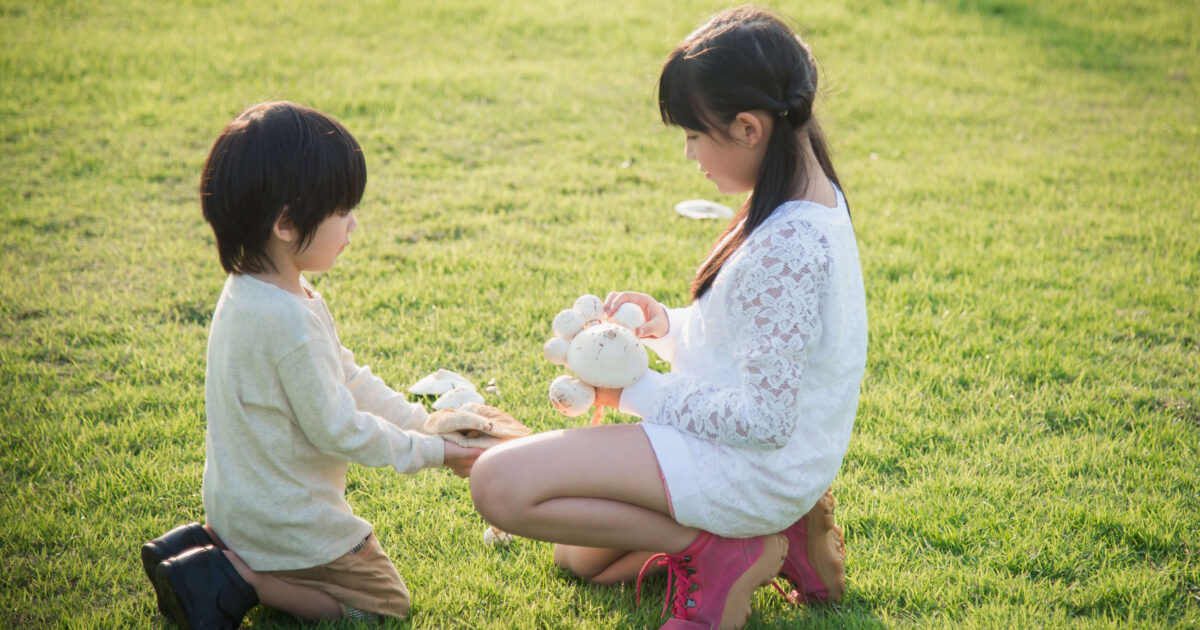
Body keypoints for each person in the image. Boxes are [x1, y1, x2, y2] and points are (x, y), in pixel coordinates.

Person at [470, 6, 866, 629]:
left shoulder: (789, 245)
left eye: (692, 134)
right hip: (757, 454)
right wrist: (671, 328)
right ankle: (774, 531)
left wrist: (635, 389)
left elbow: (765, 419)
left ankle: (723, 547)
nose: (689, 153)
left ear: (747, 128)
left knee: (499, 486)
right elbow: (766, 340)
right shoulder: (802, 190)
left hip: (750, 462)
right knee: (581, 558)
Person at [139, 101, 485, 629]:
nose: (353, 224)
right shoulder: (288, 324)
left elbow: (344, 375)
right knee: (385, 605)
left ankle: (210, 547)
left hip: (241, 506)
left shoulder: (255, 290)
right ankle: (242, 578)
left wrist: (424, 422)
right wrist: (434, 453)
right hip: (287, 523)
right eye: (341, 211)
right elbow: (338, 429)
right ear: (285, 222)